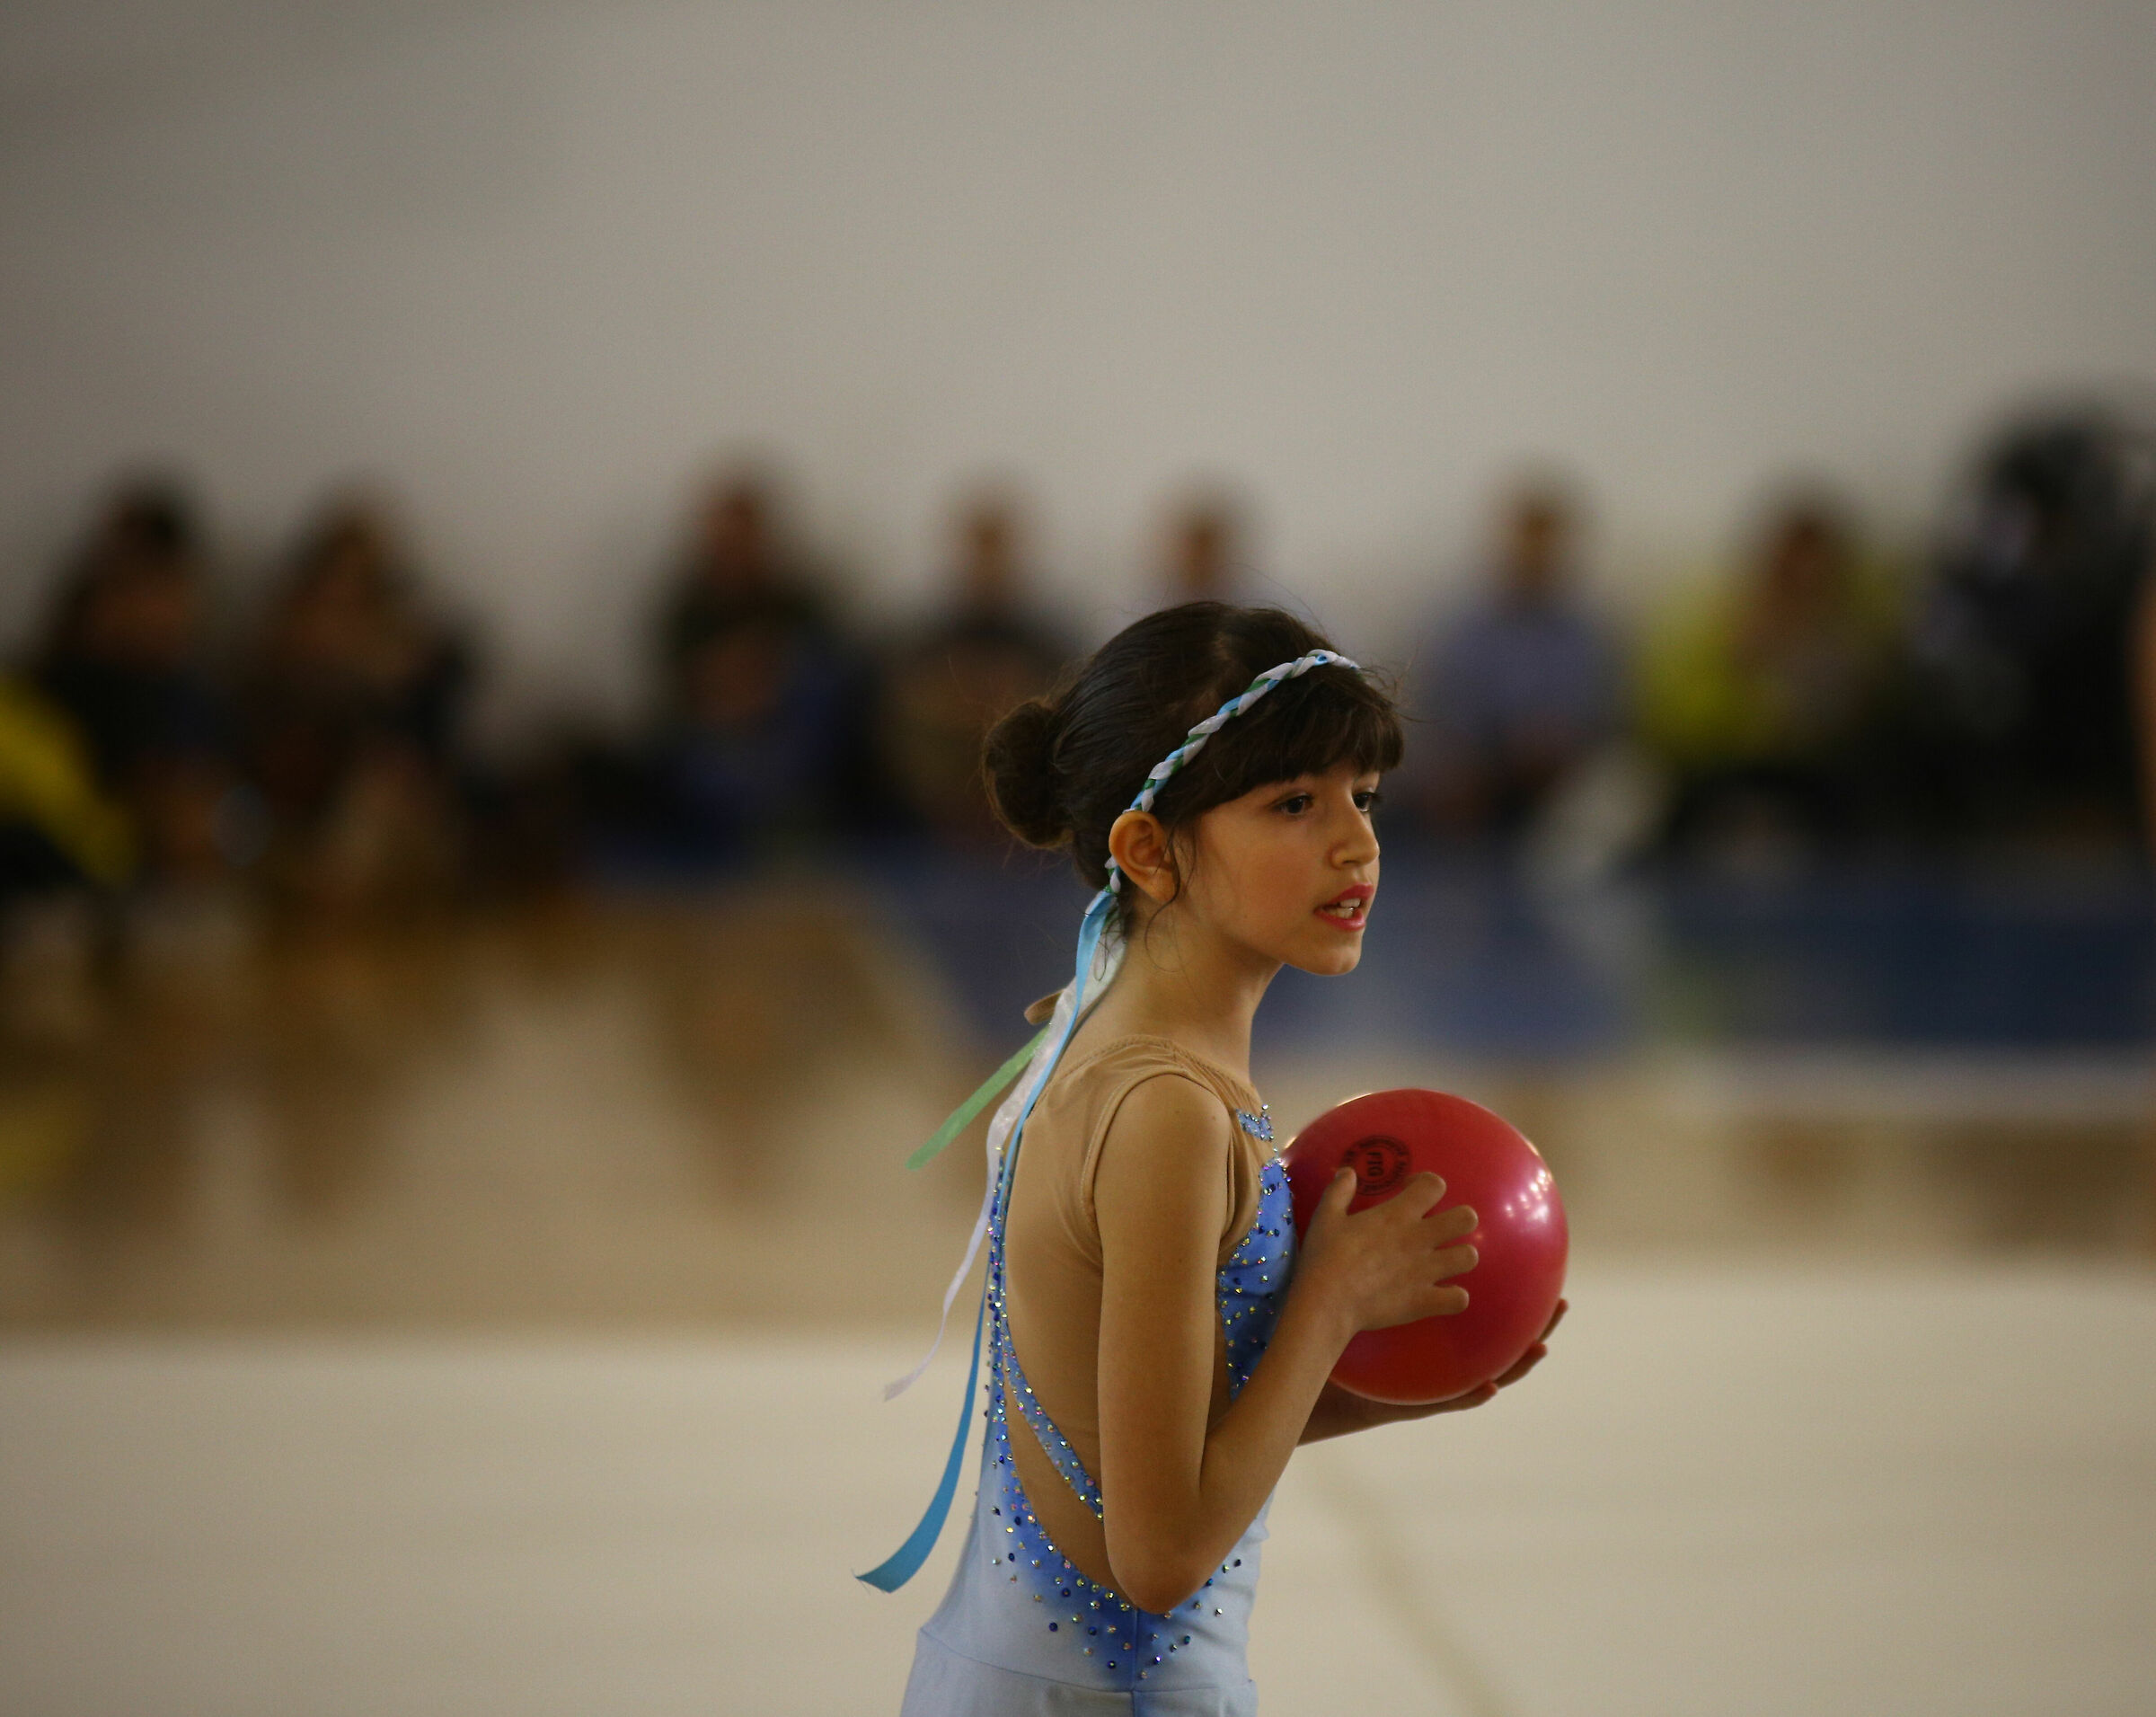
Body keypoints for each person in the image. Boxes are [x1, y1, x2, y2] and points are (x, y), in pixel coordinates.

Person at [874, 603, 1564, 1714]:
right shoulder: (1166, 1115)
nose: (1356, 842)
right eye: (1294, 803)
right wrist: (1330, 1302)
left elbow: (1153, 1431)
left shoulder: (1116, 1041)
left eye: (1364, 796)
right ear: (1149, 849)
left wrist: (1396, 1392)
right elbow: (1157, 1557)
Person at [1638, 490, 1897, 860]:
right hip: (1725, 767)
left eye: (1818, 565)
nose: (1807, 576)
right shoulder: (1716, 621)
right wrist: (1743, 678)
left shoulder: (1848, 631)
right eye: (1796, 562)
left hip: (1813, 775)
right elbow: (1674, 721)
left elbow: (1859, 718)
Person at [1411, 474, 1621, 839]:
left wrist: (1559, 739)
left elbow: (1605, 710)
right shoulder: (1466, 627)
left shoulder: (1588, 631)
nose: (1536, 554)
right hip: (1487, 766)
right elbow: (1446, 706)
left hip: (1566, 771)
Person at [879, 488, 1075, 841]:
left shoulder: (1047, 641)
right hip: (930, 821)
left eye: (996, 549)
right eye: (979, 549)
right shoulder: (925, 639)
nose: (987, 562)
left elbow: (1067, 700)